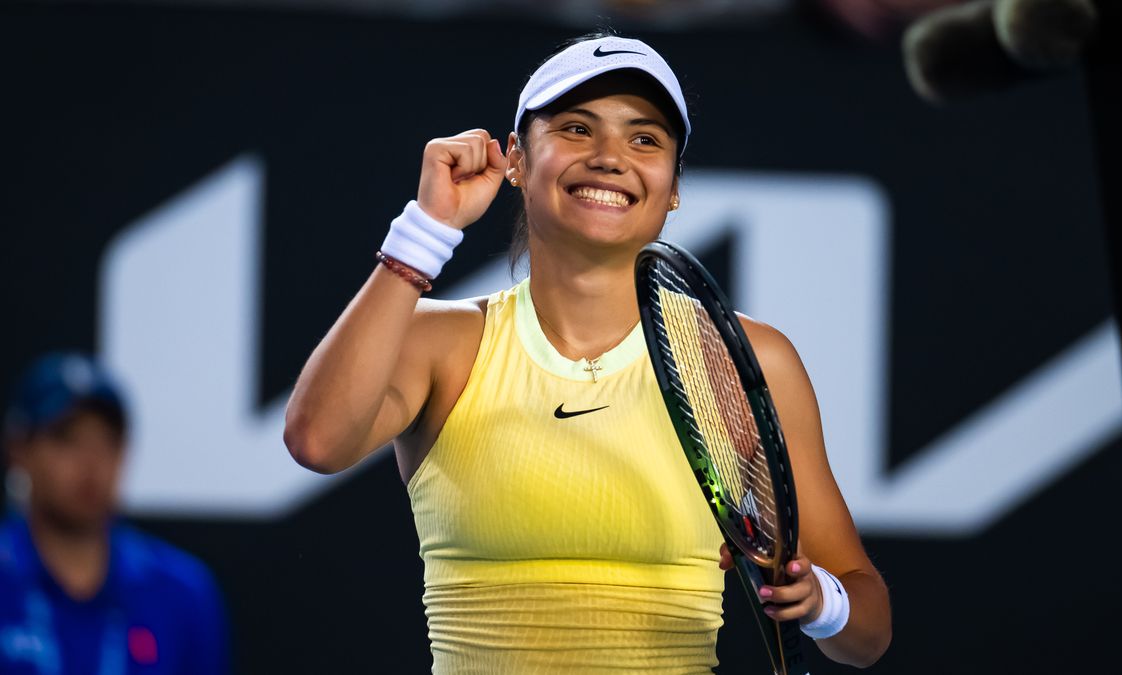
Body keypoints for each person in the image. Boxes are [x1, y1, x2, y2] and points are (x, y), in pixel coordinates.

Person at [284, 32, 891, 672]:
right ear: (515, 158)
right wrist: (426, 234)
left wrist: (821, 600)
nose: (609, 158)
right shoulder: (438, 341)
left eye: (645, 139)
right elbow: (318, 443)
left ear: (674, 185)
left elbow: (866, 630)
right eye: (576, 129)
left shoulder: (742, 358)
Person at [0, 352, 229, 675]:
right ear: (19, 450)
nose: (91, 463)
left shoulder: (182, 592)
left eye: (108, 441)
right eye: (67, 438)